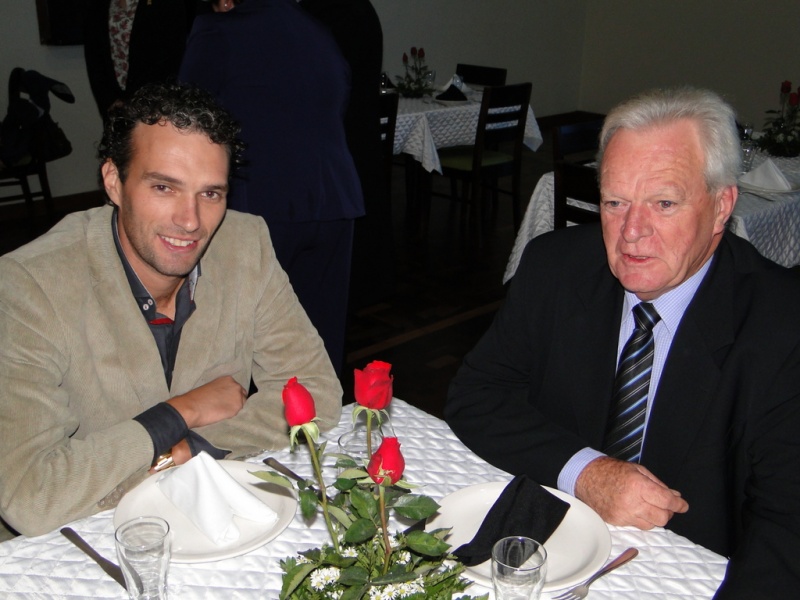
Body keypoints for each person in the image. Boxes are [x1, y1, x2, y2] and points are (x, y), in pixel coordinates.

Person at [445, 87, 800, 597]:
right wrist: (587, 472)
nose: (632, 231)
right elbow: (477, 395)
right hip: (553, 549)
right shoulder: (555, 267)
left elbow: (786, 524)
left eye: (664, 203)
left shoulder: (782, 324)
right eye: (615, 202)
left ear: (722, 205)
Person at [0, 82, 342, 540]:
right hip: (82, 540)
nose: (190, 221)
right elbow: (30, 494)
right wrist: (178, 413)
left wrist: (183, 451)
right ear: (113, 182)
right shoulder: (29, 284)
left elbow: (315, 393)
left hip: (215, 522)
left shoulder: (245, 244)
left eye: (211, 194)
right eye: (164, 187)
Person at [179, 0, 364, 377]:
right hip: (335, 200)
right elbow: (338, 106)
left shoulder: (218, 30)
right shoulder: (318, 32)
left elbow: (187, 122)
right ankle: (316, 414)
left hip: (261, 202)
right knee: (319, 345)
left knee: (240, 348)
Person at [83, 0, 197, 120]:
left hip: (152, 102)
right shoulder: (99, 4)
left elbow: (171, 55)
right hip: (115, 106)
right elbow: (94, 56)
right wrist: (109, 100)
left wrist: (141, 101)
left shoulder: (167, 4)